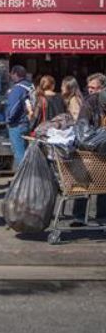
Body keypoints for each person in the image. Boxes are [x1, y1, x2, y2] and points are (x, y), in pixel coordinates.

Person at [72, 74, 106, 225]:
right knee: (84, 180)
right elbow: (82, 127)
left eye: (94, 88)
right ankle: (83, 216)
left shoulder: (95, 100)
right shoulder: (91, 102)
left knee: (98, 183)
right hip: (89, 150)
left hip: (99, 149)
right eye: (89, 87)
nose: (91, 90)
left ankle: (98, 216)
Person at [5, 65, 34, 166]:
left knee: (19, 155)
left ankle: (23, 180)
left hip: (17, 125)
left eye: (11, 74)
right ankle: (27, 177)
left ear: (15, 74)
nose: (11, 76)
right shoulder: (30, 86)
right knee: (26, 153)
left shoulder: (17, 89)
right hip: (27, 123)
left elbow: (13, 108)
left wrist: (8, 120)